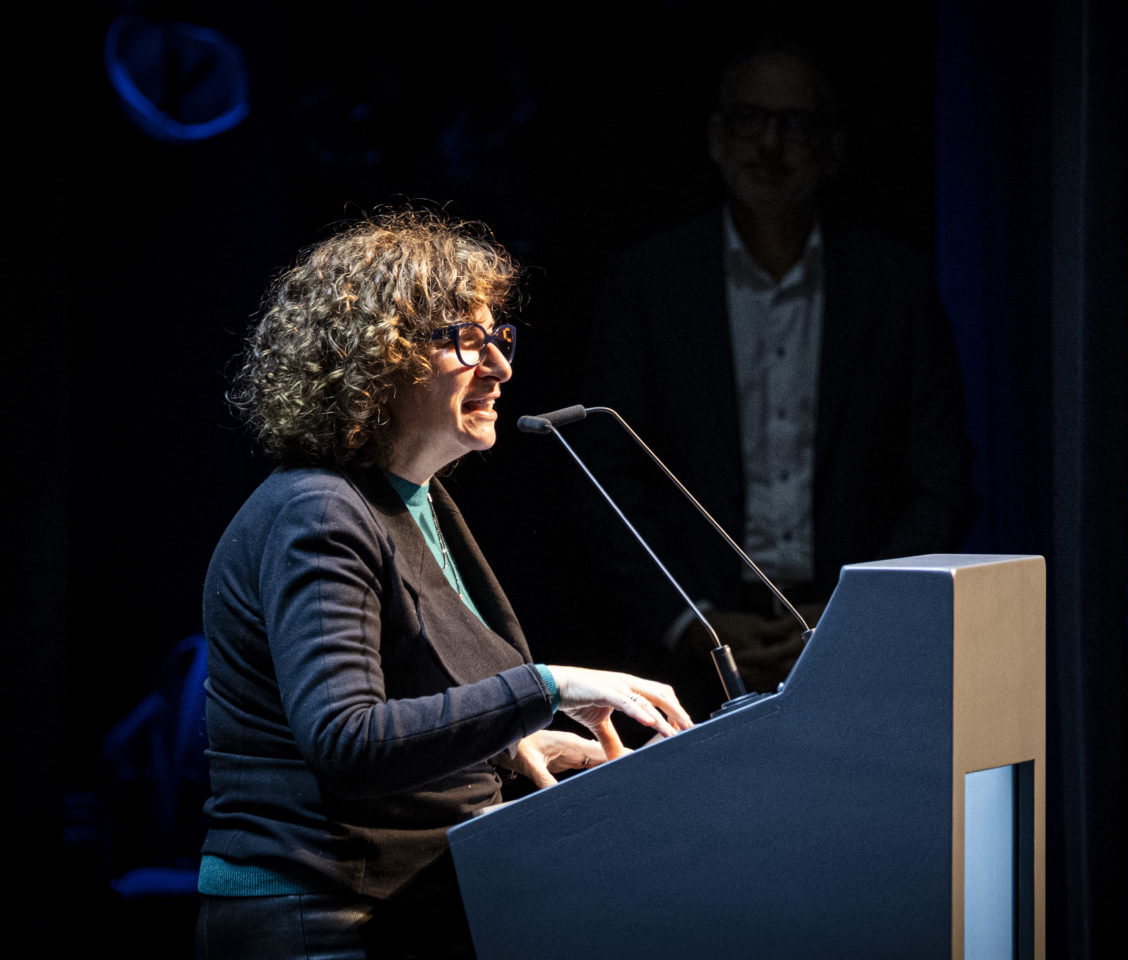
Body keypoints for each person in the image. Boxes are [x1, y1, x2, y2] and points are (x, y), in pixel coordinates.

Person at [195, 211, 692, 960]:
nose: (499, 367)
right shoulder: (319, 511)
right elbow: (346, 740)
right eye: (465, 339)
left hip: (409, 907)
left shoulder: (411, 500)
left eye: (498, 338)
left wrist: (511, 743)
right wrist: (548, 687)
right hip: (321, 918)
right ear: (377, 359)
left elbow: (410, 704)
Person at [582, 45, 976, 705]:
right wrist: (692, 621)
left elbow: (942, 482)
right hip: (688, 651)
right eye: (749, 120)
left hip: (860, 642)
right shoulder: (648, 283)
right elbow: (602, 475)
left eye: (795, 125)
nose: (769, 144)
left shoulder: (894, 287)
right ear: (716, 137)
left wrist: (857, 610)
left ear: (832, 148)